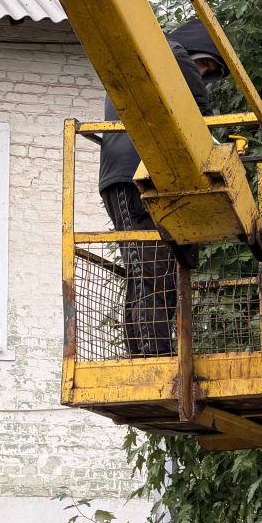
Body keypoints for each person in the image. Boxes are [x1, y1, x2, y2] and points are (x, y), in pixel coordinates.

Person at [96, 18, 228, 356]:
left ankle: (146, 354)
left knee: (147, 273)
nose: (202, 73)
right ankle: (153, 356)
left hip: (132, 176)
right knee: (152, 274)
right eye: (204, 64)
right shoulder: (171, 52)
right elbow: (199, 114)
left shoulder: (144, 60)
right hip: (135, 176)